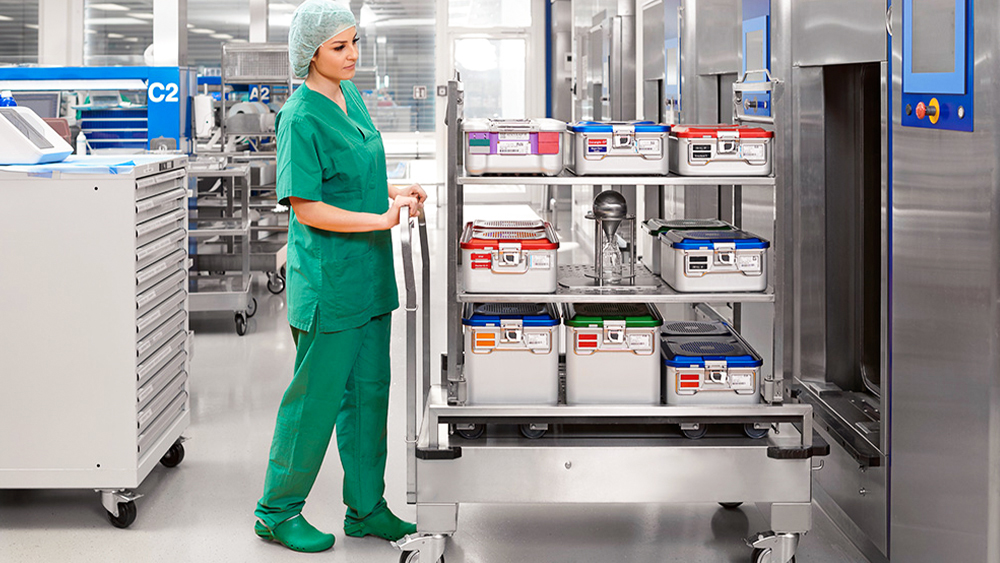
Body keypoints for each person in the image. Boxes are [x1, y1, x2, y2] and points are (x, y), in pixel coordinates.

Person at [253, 0, 425, 553]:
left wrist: (396, 194)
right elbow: (308, 206)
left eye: (355, 42)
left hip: (370, 276)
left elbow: (358, 179)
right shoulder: (299, 117)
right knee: (316, 401)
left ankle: (366, 508)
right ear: (310, 53)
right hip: (330, 282)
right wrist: (379, 218)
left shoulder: (350, 98)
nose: (353, 55)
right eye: (339, 46)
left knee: (370, 393)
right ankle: (277, 512)